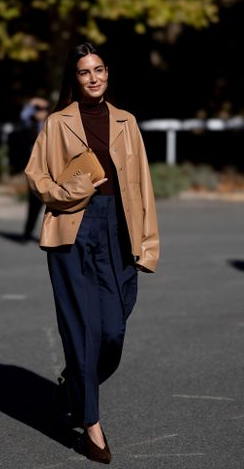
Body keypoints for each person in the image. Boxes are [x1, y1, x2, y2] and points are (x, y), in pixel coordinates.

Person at [25, 42, 159, 464]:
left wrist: (149, 244)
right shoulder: (57, 123)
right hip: (72, 231)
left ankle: (77, 384)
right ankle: (91, 424)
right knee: (82, 328)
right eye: (85, 72)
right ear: (75, 79)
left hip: (119, 229)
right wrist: (73, 190)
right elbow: (37, 176)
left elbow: (144, 189)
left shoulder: (127, 122)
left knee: (114, 330)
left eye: (99, 69)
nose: (94, 77)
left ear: (107, 73)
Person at [19, 96, 49, 242]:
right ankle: (27, 232)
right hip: (35, 168)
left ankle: (49, 234)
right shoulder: (30, 123)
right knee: (34, 202)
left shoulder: (51, 123)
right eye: (38, 110)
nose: (40, 113)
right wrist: (33, 102)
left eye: (43, 110)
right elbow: (23, 115)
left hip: (50, 167)